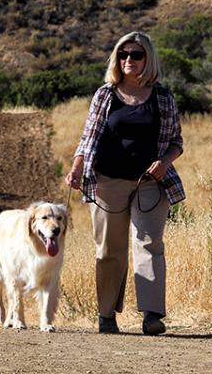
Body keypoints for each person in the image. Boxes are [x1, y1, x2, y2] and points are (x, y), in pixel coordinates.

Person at [65, 31, 184, 336]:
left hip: (149, 182)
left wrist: (164, 163)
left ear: (149, 59)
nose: (129, 60)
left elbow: (175, 142)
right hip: (107, 181)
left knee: (149, 244)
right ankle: (106, 315)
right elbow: (88, 137)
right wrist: (77, 168)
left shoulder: (163, 97)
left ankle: (152, 315)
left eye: (136, 54)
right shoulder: (105, 94)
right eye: (123, 54)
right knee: (109, 250)